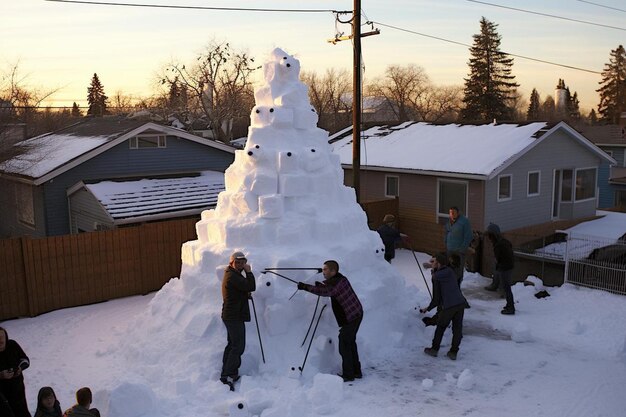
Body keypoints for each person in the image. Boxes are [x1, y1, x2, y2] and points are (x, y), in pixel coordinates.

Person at [298, 260, 363, 382]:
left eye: (325, 269)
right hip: (355, 314)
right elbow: (329, 288)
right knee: (350, 343)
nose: (323, 272)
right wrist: (319, 286)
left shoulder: (339, 282)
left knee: (344, 345)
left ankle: (349, 375)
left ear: (333, 271)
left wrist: (305, 287)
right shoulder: (339, 280)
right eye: (323, 269)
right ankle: (356, 371)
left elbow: (328, 292)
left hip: (353, 316)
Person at [420, 253, 468, 360]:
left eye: (433, 262)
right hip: (460, 303)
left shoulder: (436, 277)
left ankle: (434, 349)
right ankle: (453, 352)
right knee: (457, 329)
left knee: (441, 327)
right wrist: (434, 269)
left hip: (449, 306)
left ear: (438, 263)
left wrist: (427, 308)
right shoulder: (450, 271)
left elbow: (436, 299)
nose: (431, 263)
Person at [220, 251, 256, 387]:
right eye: (238, 262)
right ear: (231, 262)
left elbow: (238, 290)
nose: (241, 265)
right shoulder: (232, 276)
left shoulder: (232, 274)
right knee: (238, 346)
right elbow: (251, 286)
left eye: (243, 263)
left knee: (232, 345)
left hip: (232, 315)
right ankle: (229, 374)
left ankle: (227, 372)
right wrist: (249, 272)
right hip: (233, 316)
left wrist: (244, 295)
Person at [484, 223, 516, 315]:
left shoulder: (498, 245)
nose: (489, 238)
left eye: (489, 235)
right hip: (509, 267)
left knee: (507, 288)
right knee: (507, 288)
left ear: (493, 235)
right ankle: (509, 305)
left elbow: (498, 259)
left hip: (504, 268)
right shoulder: (504, 241)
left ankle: (511, 308)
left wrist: (498, 266)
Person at [0, 327, 31, 417]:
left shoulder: (12, 345)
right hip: (2, 395)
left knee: (23, 412)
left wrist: (20, 368)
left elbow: (25, 360)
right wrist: (1, 375)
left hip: (18, 390)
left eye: (2, 336)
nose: (0, 340)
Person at [444, 206, 473, 285]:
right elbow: (447, 232)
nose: (451, 214)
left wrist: (462, 248)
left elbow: (469, 236)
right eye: (450, 212)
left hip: (459, 251)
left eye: (453, 212)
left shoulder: (464, 222)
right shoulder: (449, 221)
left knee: (458, 270)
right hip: (450, 249)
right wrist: (446, 241)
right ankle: (450, 285)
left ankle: (457, 286)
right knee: (449, 268)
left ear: (458, 213)